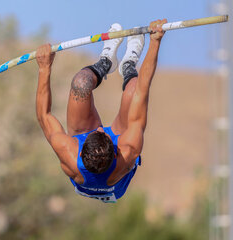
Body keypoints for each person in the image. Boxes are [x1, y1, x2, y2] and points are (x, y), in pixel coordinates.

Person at [35, 19, 167, 203]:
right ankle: (128, 66)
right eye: (103, 133)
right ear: (115, 151)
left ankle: (106, 61)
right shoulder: (127, 152)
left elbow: (44, 115)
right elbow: (143, 90)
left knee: (81, 83)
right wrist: (155, 42)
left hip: (94, 164)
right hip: (115, 176)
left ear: (80, 151)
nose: (100, 128)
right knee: (133, 89)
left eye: (98, 132)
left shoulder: (69, 153)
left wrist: (44, 68)